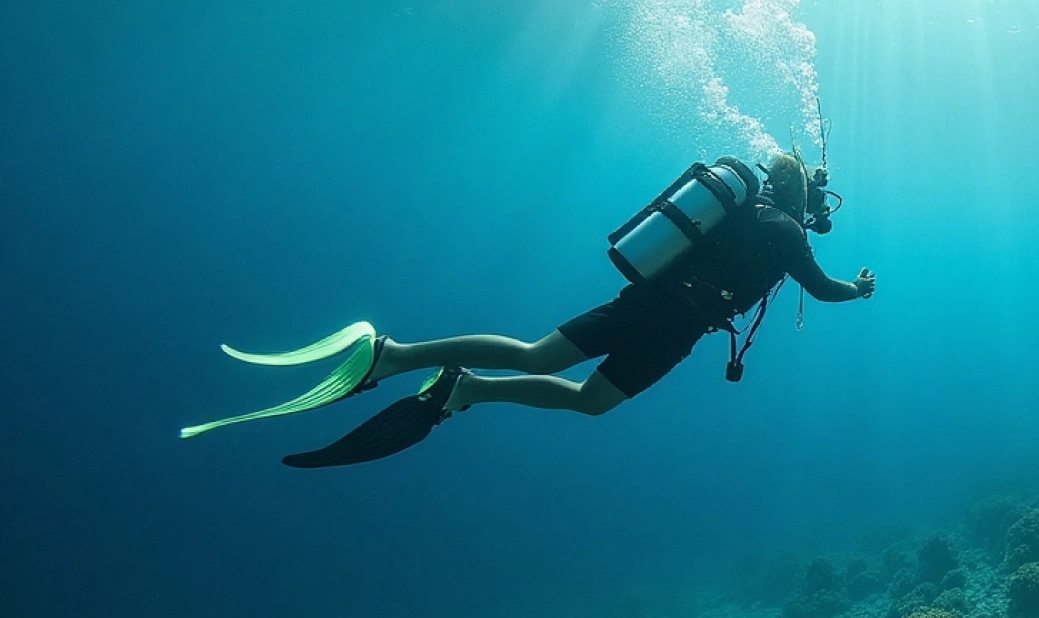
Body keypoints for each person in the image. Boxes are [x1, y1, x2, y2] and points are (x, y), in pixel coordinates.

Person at [182, 152, 875, 467]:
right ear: (801, 200)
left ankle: (449, 380)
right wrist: (859, 287)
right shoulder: (786, 230)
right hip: (674, 327)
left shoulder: (739, 212)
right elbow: (821, 289)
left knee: (548, 365)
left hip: (650, 305)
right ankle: (408, 363)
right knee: (581, 394)